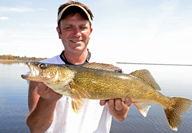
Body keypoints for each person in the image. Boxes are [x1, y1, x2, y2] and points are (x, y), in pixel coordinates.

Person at [26, 1, 132, 133]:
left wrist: (118, 109)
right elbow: (35, 129)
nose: (77, 33)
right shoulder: (40, 75)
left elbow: (121, 117)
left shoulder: (112, 72)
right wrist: (47, 101)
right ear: (59, 32)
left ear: (90, 32)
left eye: (82, 27)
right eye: (69, 27)